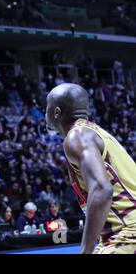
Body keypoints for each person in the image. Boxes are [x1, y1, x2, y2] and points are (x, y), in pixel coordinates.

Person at [46, 83, 136, 254]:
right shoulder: (98, 134)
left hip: (128, 232)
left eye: (46, 108)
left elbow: (102, 189)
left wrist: (85, 250)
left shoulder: (76, 137)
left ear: (56, 112)